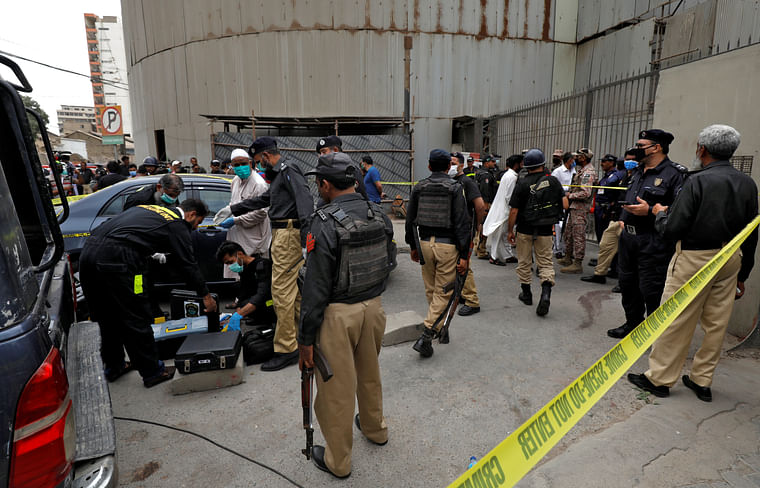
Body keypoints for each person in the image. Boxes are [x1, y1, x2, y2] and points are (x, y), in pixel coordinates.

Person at [628, 124, 758, 402]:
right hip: (731, 257)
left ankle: (659, 378)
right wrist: (743, 274)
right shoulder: (747, 183)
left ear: (702, 149)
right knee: (716, 323)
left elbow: (673, 227)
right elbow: (751, 230)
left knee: (675, 318)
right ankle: (701, 380)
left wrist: (658, 212)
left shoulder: (696, 181)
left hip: (695, 257)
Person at [297, 152, 394, 478]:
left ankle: (339, 462)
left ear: (325, 185)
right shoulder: (378, 213)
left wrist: (305, 340)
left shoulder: (321, 223)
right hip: (374, 308)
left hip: (338, 316)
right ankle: (375, 429)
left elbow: (315, 287)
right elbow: (389, 260)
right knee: (369, 373)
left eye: (318, 183)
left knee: (336, 391)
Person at [79, 199, 216, 388]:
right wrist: (206, 296)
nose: (195, 227)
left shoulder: (148, 208)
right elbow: (188, 264)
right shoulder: (177, 224)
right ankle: (153, 372)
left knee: (106, 316)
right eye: (198, 222)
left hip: (88, 255)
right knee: (136, 315)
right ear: (191, 214)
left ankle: (115, 365)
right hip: (119, 260)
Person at [223, 136, 314, 371]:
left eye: (256, 161)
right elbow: (264, 200)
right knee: (293, 293)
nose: (257, 165)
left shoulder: (288, 169)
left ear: (264, 156)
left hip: (289, 234)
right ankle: (297, 338)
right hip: (283, 234)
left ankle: (286, 348)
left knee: (281, 292)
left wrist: (306, 239)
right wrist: (233, 208)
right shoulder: (279, 175)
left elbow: (305, 203)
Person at [607, 129, 687, 338]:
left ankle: (654, 333)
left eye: (641, 146)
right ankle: (632, 324)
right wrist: (624, 221)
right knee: (628, 284)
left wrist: (650, 210)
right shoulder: (638, 171)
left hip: (654, 240)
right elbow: (629, 197)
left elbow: (680, 210)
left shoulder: (675, 174)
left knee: (651, 288)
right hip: (629, 239)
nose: (636, 149)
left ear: (657, 147)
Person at [405, 149, 471, 358]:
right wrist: (464, 255)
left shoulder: (419, 187)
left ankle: (439, 327)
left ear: (429, 166)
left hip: (424, 244)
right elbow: (463, 223)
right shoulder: (455, 188)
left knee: (432, 290)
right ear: (449, 167)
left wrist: (413, 246)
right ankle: (427, 335)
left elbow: (409, 219)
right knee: (444, 292)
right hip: (447, 247)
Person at [507, 149, 568, 316]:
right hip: (546, 230)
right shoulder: (554, 181)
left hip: (525, 229)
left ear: (526, 166)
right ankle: (546, 293)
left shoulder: (522, 183)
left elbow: (514, 211)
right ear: (543, 164)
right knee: (546, 263)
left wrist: (510, 231)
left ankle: (526, 294)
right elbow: (565, 205)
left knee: (524, 262)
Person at [582, 149, 638, 285]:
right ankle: (599, 274)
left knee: (628, 252)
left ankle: (624, 282)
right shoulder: (624, 176)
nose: (629, 162)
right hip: (617, 216)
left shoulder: (639, 177)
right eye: (627, 159)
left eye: (632, 159)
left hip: (631, 219)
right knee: (605, 245)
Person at [219, 148, 271, 280]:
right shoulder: (235, 181)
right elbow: (234, 202)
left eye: (243, 163)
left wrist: (236, 220)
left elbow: (261, 213)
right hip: (238, 236)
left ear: (250, 163)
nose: (240, 167)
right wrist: (225, 213)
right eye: (236, 165)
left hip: (254, 238)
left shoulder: (259, 184)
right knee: (241, 276)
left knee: (255, 275)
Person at [451, 152, 486, 316]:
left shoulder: (467, 182)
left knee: (464, 265)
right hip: (454, 230)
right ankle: (463, 294)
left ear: (461, 165)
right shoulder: (452, 181)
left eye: (453, 162)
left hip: (466, 230)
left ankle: (472, 301)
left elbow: (479, 206)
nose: (450, 165)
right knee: (457, 263)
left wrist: (478, 225)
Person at [216, 240, 276, 329]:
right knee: (243, 303)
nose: (230, 266)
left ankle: (267, 320)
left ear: (240, 254)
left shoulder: (262, 265)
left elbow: (262, 294)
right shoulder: (244, 269)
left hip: (271, 301)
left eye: (230, 262)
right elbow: (244, 291)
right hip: (259, 299)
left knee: (254, 303)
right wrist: (238, 311)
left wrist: (239, 314)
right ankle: (257, 317)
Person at [559, 148, 596, 273]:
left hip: (580, 208)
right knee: (568, 233)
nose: (575, 159)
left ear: (584, 158)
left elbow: (586, 193)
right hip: (574, 207)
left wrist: (570, 195)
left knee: (578, 236)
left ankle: (577, 263)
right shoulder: (582, 171)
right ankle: (568, 258)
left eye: (578, 156)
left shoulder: (588, 173)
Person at [483, 154, 522, 265]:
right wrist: (512, 209)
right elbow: (509, 196)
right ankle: (494, 257)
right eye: (521, 163)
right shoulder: (512, 177)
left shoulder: (508, 174)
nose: (522, 165)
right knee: (499, 234)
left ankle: (507, 255)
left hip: (502, 208)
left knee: (504, 234)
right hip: (505, 210)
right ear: (516, 164)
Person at [316, 136, 368, 200]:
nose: (321, 156)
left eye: (324, 152)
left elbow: (361, 198)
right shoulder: (324, 171)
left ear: (335, 150)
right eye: (320, 153)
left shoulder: (350, 170)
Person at [593, 154, 626, 243]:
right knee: (599, 233)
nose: (601, 164)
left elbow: (616, 194)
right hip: (599, 208)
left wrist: (609, 209)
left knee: (606, 235)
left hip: (607, 209)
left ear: (611, 163)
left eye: (604, 161)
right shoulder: (606, 176)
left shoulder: (616, 176)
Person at [551, 152, 576, 257]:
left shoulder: (574, 171)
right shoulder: (557, 172)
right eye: (573, 160)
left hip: (570, 200)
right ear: (569, 160)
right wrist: (565, 191)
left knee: (568, 226)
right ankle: (557, 249)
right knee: (559, 226)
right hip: (559, 200)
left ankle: (567, 249)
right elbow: (553, 186)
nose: (575, 162)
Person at [474, 156, 498, 259]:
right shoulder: (485, 175)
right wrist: (486, 207)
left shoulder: (481, 172)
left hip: (480, 203)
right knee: (484, 226)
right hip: (485, 203)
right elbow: (485, 192)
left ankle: (477, 247)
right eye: (492, 161)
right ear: (486, 163)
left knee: (480, 225)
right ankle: (481, 250)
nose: (494, 163)